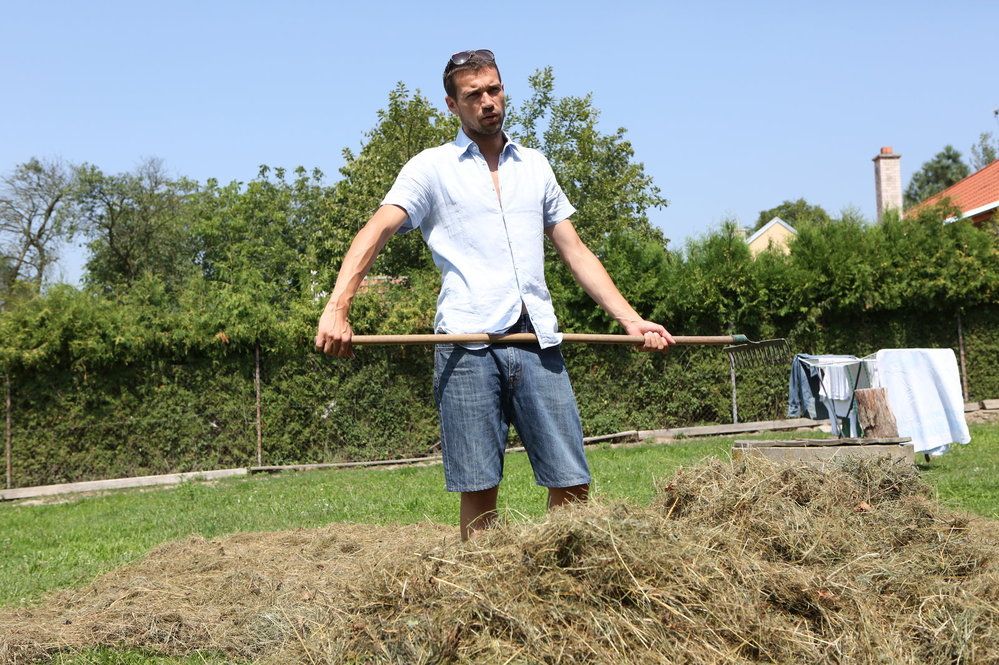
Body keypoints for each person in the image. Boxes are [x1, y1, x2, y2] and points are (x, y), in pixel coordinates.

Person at [315, 49, 673, 540]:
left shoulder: (536, 166)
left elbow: (576, 251)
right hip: (466, 344)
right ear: (451, 105)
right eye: (473, 94)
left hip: (536, 342)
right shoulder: (430, 169)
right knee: (479, 489)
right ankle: (484, 598)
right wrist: (337, 309)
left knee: (572, 479)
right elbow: (374, 232)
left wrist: (631, 319)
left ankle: (566, 586)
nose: (488, 102)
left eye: (494, 89)